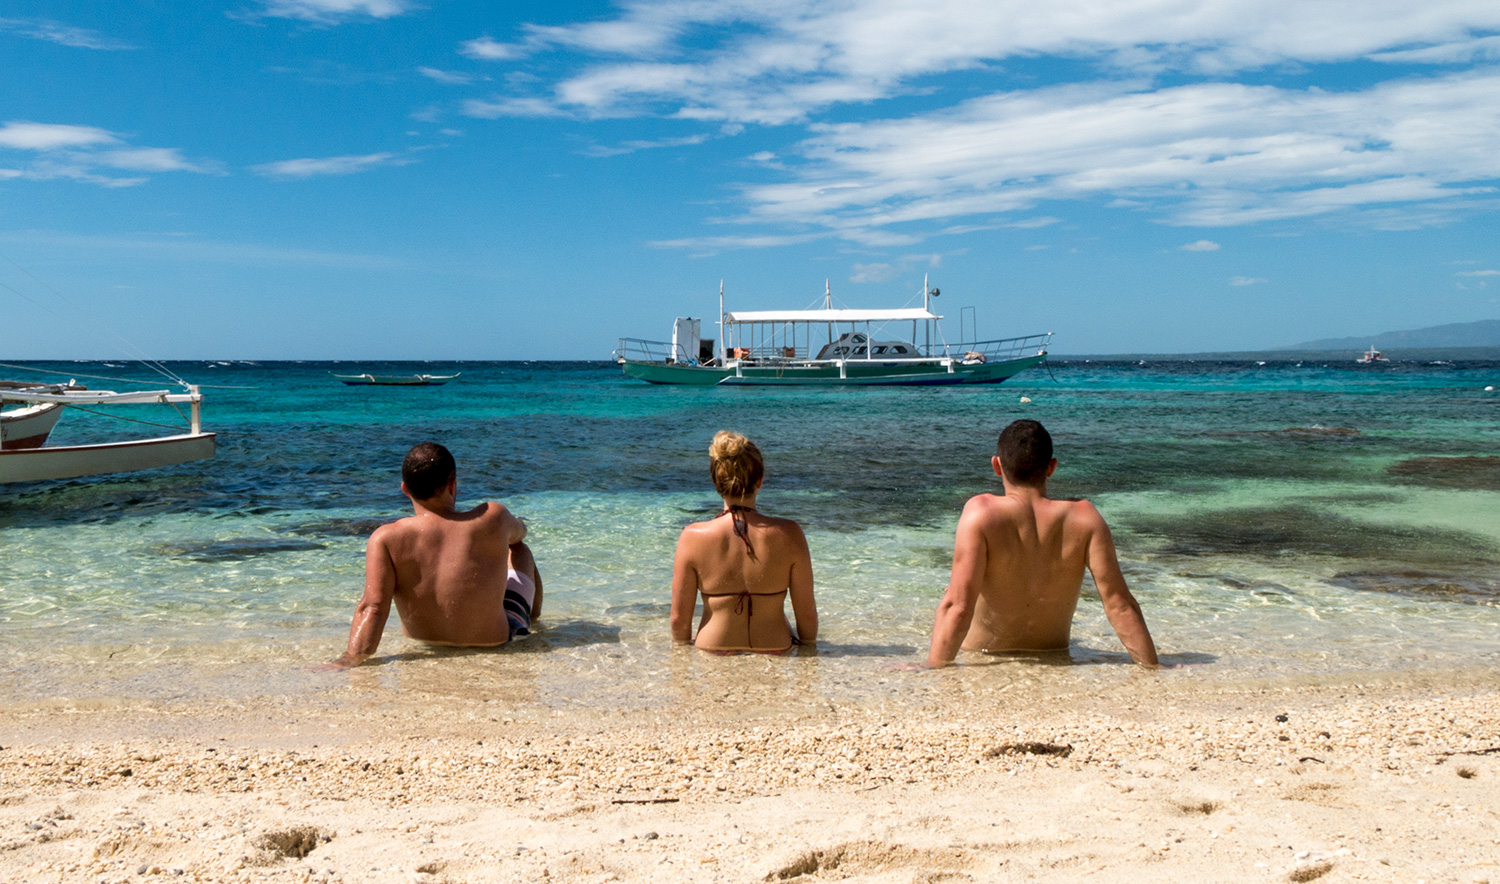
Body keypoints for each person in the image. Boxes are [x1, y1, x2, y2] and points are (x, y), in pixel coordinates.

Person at [924, 419, 1157, 668]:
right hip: (1056, 663)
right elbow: (1119, 604)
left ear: (997, 465)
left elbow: (957, 606)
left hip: (984, 664)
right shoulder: (1084, 518)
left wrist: (933, 670)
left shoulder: (981, 513)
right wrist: (1154, 668)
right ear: (1051, 467)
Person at [329, 442, 542, 669]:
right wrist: (513, 525)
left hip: (424, 644)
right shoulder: (493, 516)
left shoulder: (386, 538)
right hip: (494, 642)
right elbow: (520, 534)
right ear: (452, 485)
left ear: (405, 490)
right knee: (520, 549)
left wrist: (350, 659)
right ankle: (534, 622)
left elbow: (373, 607)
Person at [671, 431, 817, 654]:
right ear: (760, 480)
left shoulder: (692, 537)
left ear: (715, 481)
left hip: (713, 648)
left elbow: (679, 621)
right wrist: (810, 653)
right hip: (775, 646)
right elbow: (806, 615)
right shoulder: (790, 534)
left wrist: (681, 658)